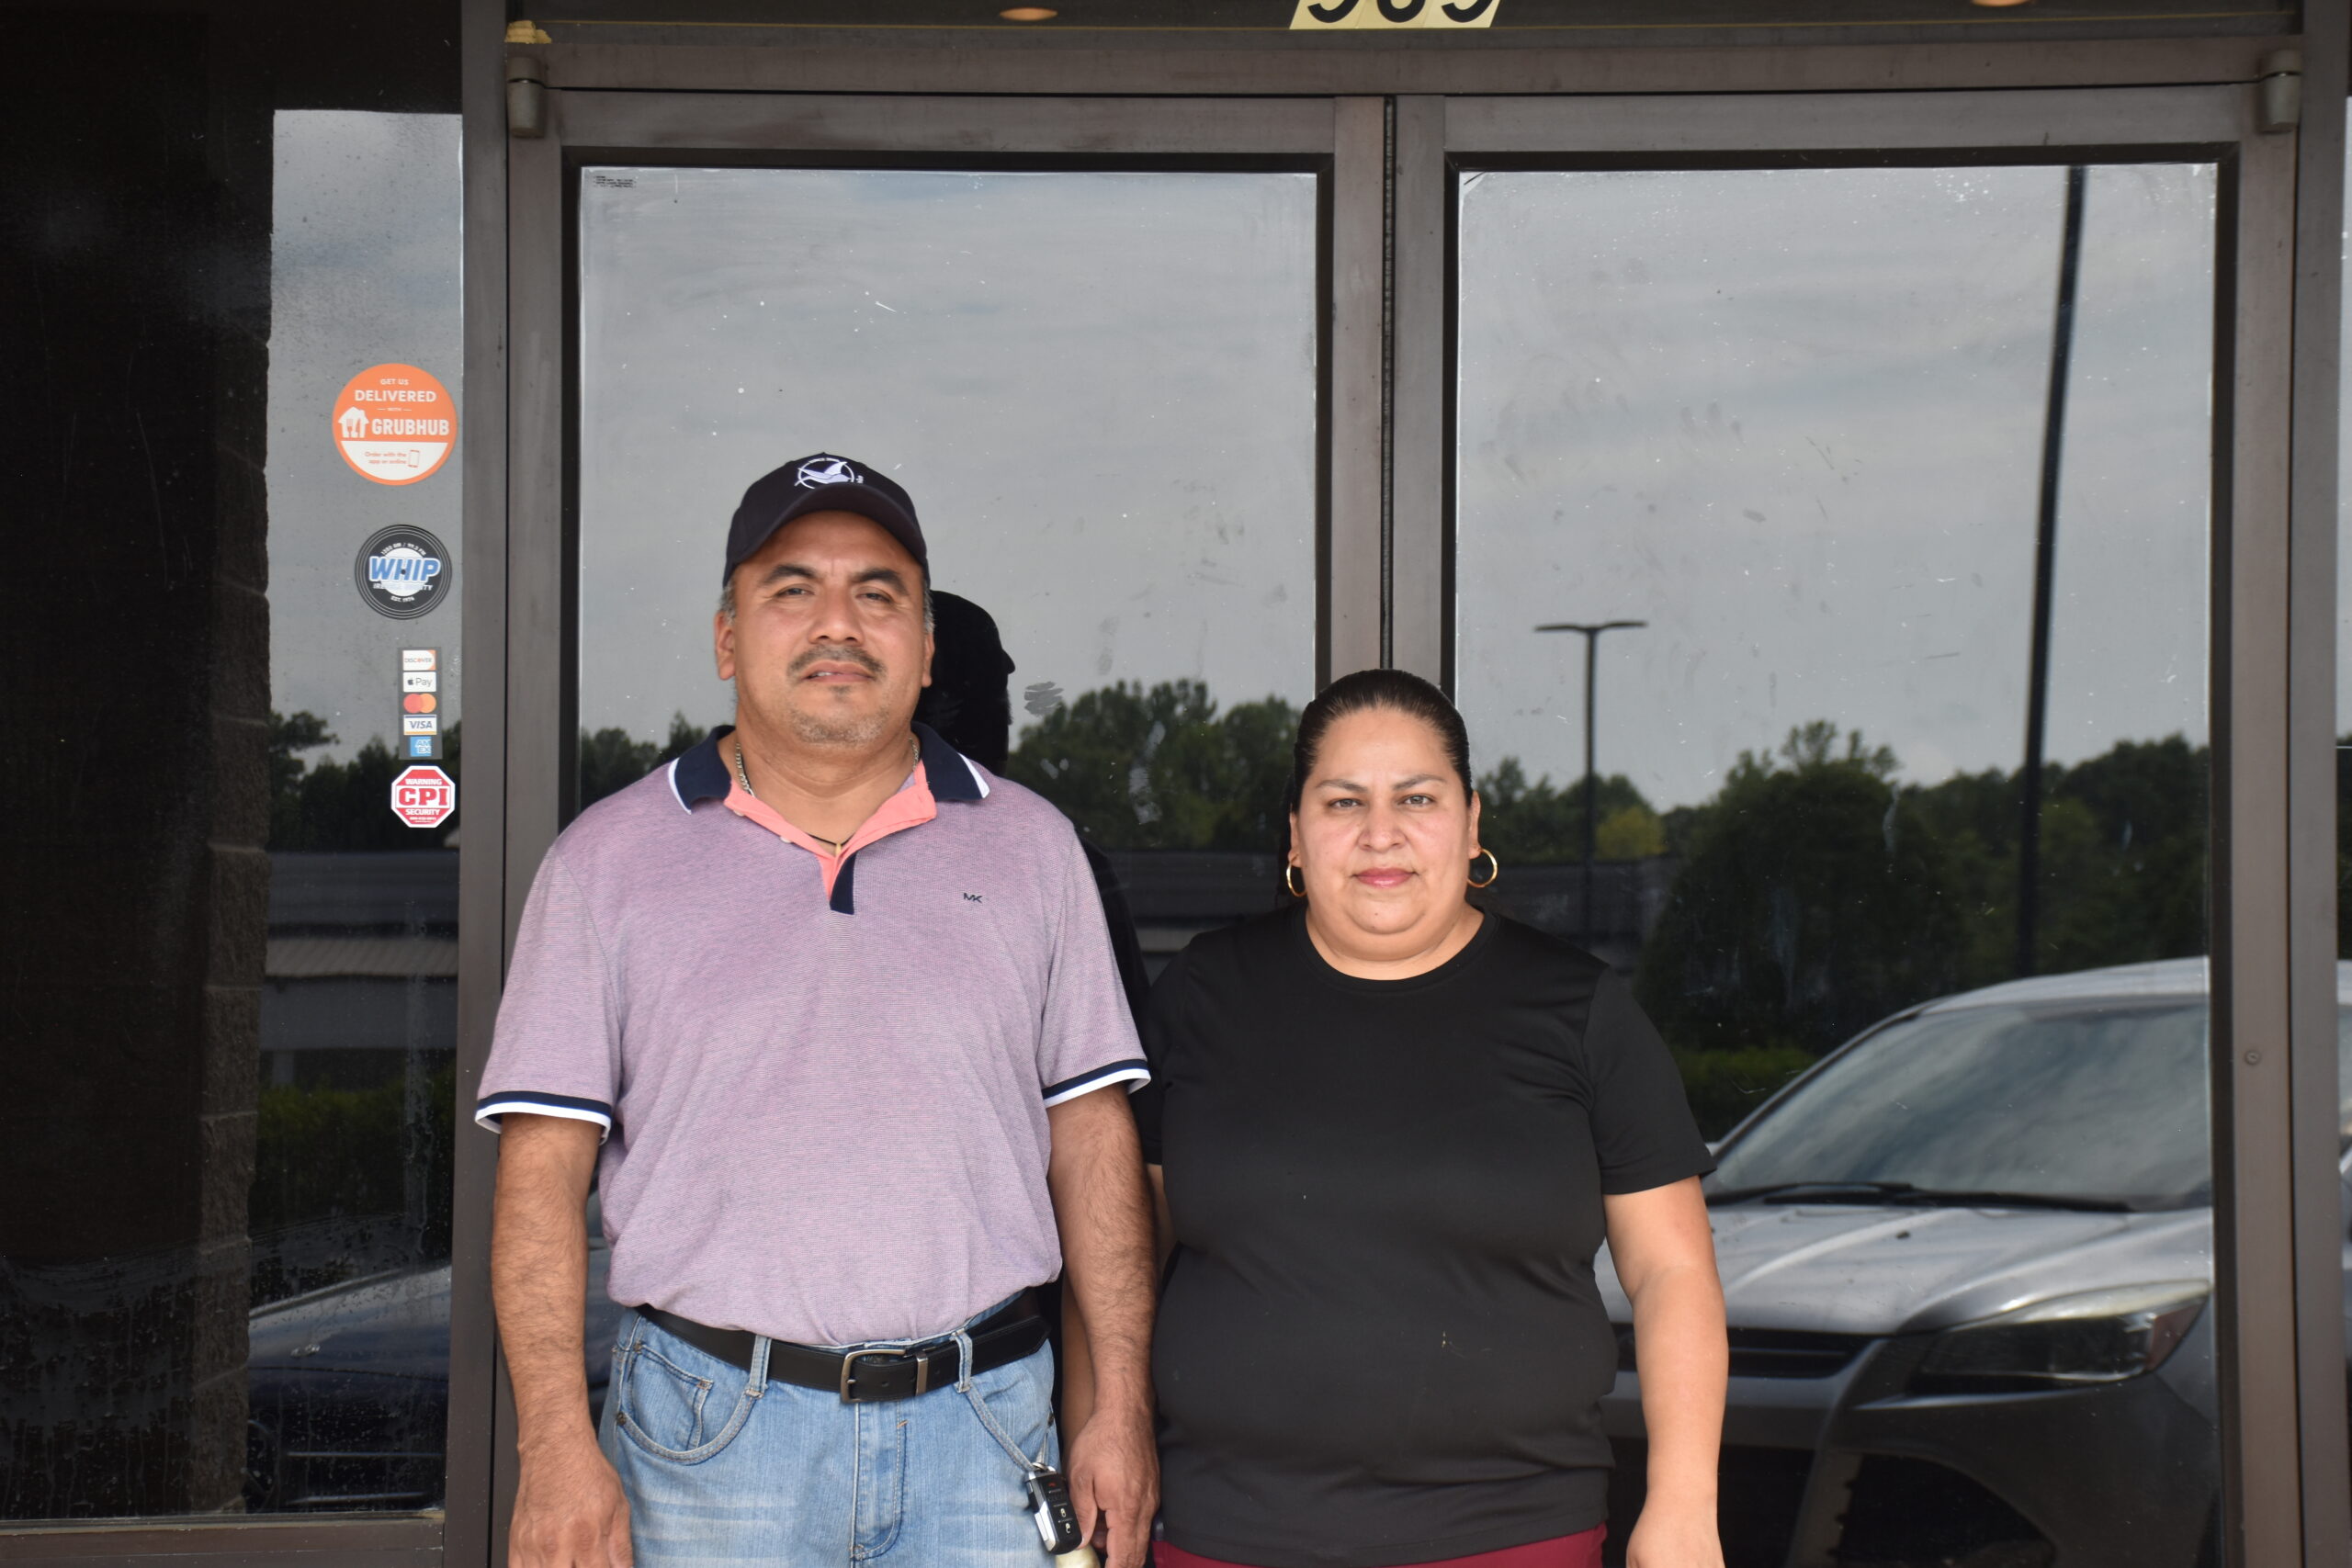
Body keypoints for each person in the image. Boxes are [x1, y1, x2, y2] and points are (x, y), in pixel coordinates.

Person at [479, 453, 1160, 1568]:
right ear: (727, 638)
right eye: (791, 590)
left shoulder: (1035, 849)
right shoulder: (603, 864)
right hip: (709, 1444)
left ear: (927, 644)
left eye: (877, 593)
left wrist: (1117, 1409)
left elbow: (1091, 1141)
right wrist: (554, 1446)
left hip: (987, 1435)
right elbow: (541, 1174)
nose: (836, 624)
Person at [1125, 668, 1727, 1568]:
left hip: (1513, 1534)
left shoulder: (1578, 1010)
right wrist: (1107, 1439)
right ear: (1295, 833)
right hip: (1227, 1533)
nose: (1381, 834)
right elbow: (1126, 1260)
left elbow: (1673, 1271)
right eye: (1342, 802)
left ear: (1471, 821)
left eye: (1417, 797)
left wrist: (1683, 1506)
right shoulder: (1205, 994)